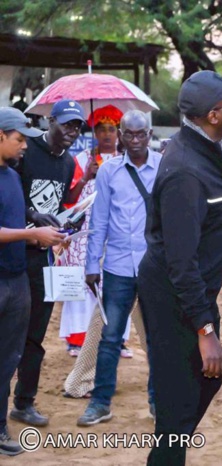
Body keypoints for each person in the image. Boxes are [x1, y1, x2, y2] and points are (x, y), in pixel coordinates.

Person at [138, 70, 222, 465]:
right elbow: (179, 262)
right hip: (174, 295)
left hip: (192, 291)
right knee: (179, 405)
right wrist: (205, 330)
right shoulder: (187, 171)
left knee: (202, 386)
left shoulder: (210, 150)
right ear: (213, 116)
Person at [75, 110, 160, 426]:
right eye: (129, 134)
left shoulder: (164, 167)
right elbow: (99, 221)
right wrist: (91, 264)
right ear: (121, 136)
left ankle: (157, 402)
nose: (135, 140)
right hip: (117, 267)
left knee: (156, 339)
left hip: (153, 268)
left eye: (141, 134)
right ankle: (100, 403)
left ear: (149, 135)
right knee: (110, 337)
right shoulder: (109, 171)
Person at [11, 99, 86, 427]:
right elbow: (9, 197)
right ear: (50, 121)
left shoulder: (68, 163)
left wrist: (65, 229)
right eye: (67, 123)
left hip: (42, 258)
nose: (71, 131)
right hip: (11, 252)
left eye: (77, 126)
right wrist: (30, 216)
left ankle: (24, 402)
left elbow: (58, 207)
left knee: (36, 334)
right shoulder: (25, 152)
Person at [0, 107, 67, 456]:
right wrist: (33, 232)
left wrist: (43, 236)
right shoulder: (12, 170)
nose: (24, 145)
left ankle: (4, 422)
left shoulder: (11, 176)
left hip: (21, 276)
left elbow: (16, 219)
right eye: (19, 139)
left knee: (12, 353)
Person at [60, 105, 125, 357]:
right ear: (94, 132)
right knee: (83, 282)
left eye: (111, 129)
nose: (107, 134)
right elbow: (68, 198)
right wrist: (87, 176)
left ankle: (116, 339)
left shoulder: (125, 160)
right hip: (85, 232)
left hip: (115, 232)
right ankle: (78, 340)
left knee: (115, 284)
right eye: (101, 129)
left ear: (118, 132)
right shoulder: (80, 160)